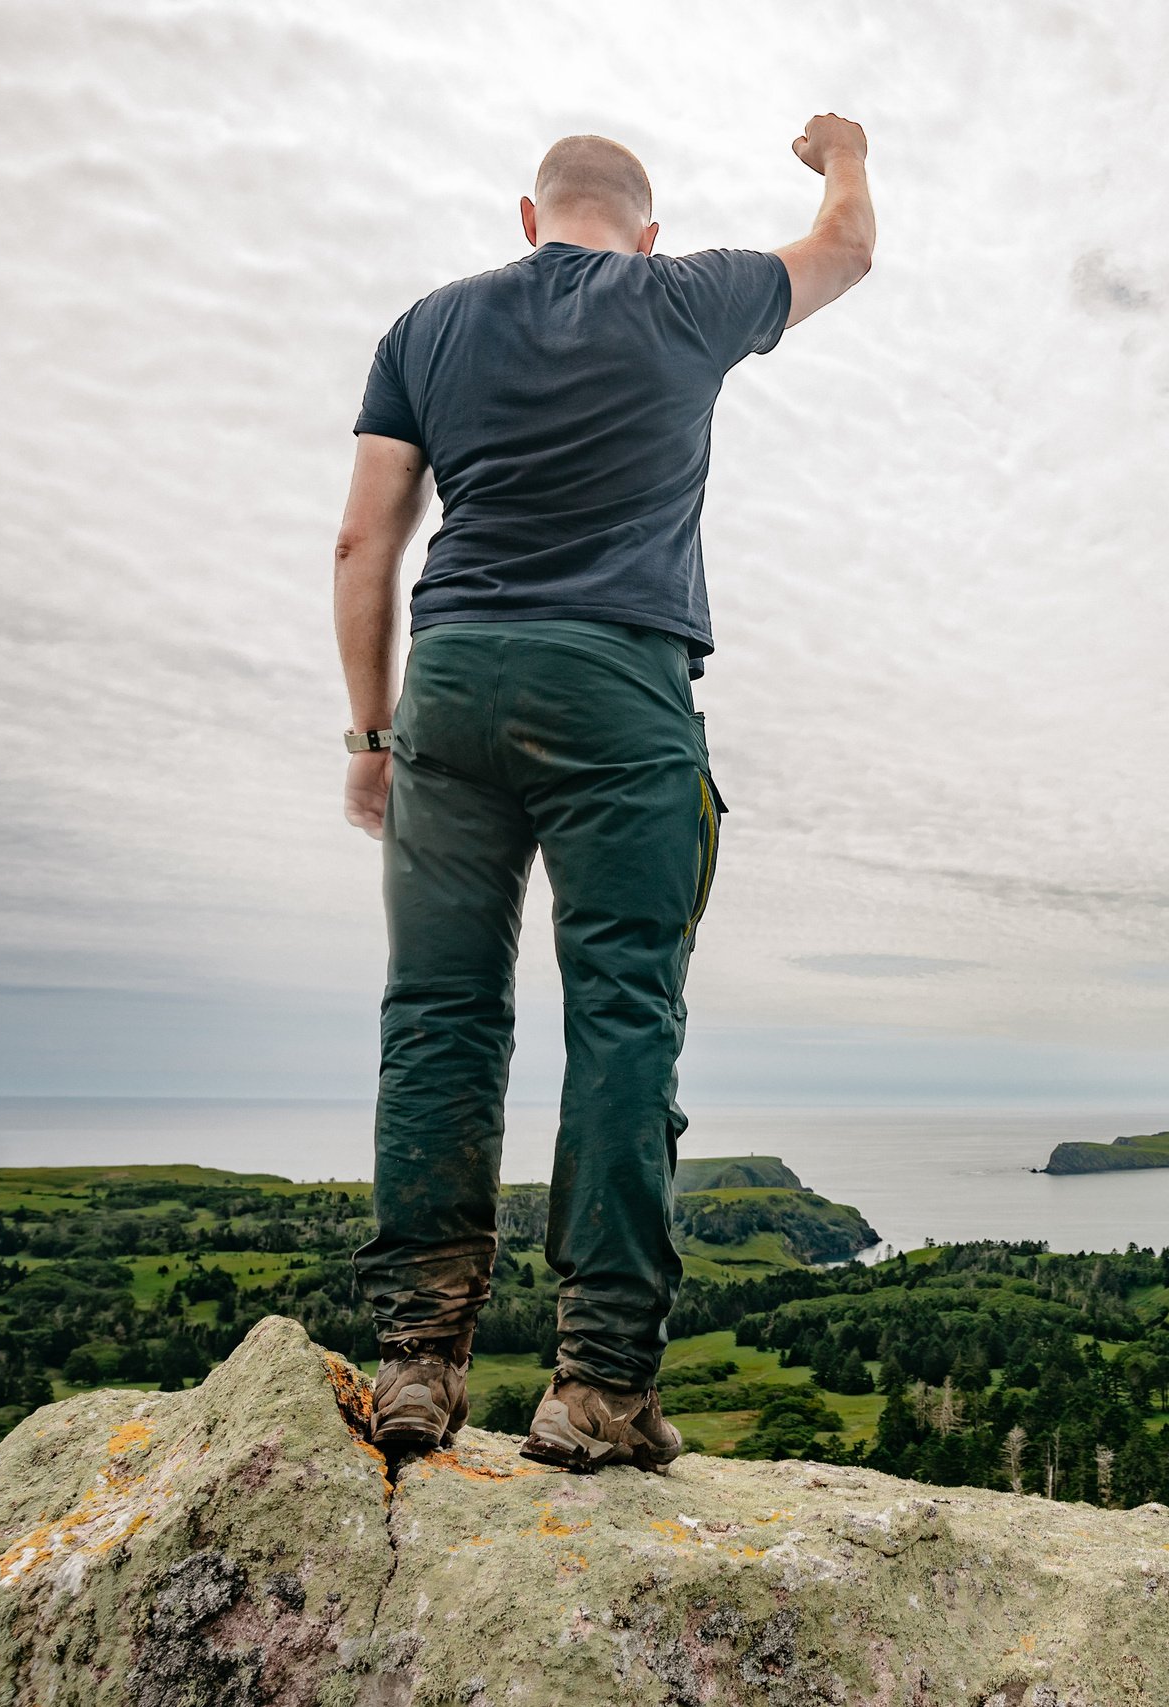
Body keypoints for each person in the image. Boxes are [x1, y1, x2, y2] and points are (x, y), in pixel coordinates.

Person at [329, 119, 874, 1470]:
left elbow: (364, 540)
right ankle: (598, 1387)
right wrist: (845, 155)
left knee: (439, 1012)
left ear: (530, 217)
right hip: (619, 687)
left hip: (450, 686)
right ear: (643, 229)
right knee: (624, 1015)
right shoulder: (687, 295)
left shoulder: (427, 329)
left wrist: (370, 731)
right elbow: (849, 250)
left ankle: (414, 1367)